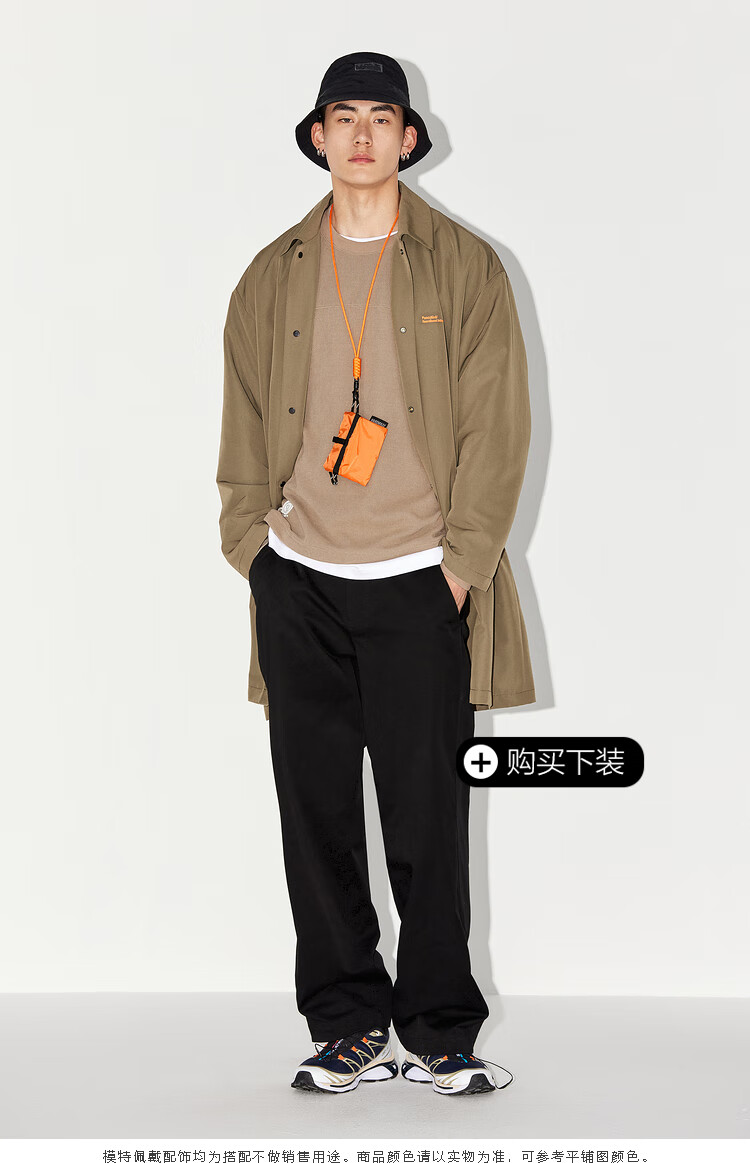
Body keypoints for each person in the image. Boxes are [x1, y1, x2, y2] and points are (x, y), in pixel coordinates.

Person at [216, 51, 535, 1096]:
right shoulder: (270, 273)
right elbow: (243, 419)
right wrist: (252, 550)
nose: (361, 135)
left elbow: (499, 428)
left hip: (420, 580)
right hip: (298, 578)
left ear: (408, 137)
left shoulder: (466, 267)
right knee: (314, 814)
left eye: (381, 117)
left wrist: (462, 567)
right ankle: (345, 1020)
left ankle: (440, 1027)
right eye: (342, 117)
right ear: (318, 137)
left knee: (427, 817)